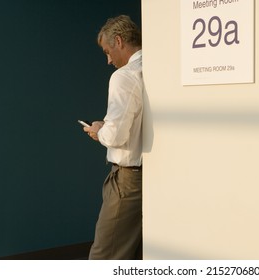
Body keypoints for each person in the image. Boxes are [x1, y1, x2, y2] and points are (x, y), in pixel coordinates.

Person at [83, 15, 144, 260]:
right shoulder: (159, 70)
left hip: (127, 181)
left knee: (103, 256)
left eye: (108, 51)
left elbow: (117, 135)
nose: (109, 60)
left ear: (119, 41)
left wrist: (99, 129)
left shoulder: (124, 76)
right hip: (150, 178)